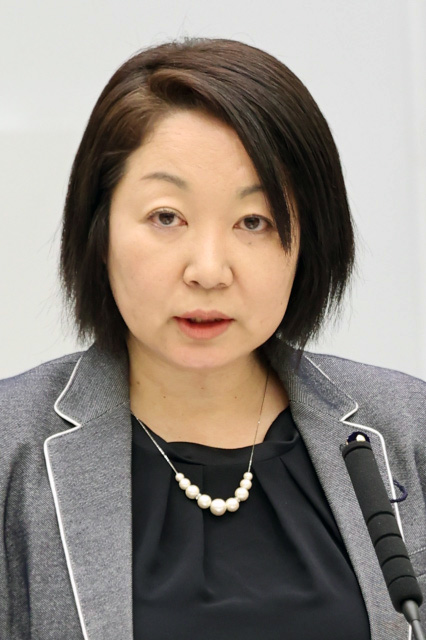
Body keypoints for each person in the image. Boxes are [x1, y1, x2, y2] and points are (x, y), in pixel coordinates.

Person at [0, 37, 424, 640]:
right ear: (100, 230)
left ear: (308, 242)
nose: (208, 270)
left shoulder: (407, 426)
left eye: (253, 221)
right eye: (166, 217)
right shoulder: (11, 446)